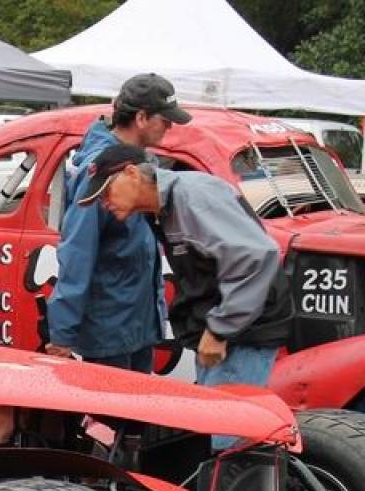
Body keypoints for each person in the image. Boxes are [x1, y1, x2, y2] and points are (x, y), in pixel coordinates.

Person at [77, 144, 293, 418]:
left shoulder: (193, 198)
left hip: (246, 332)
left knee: (227, 429)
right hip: (229, 328)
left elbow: (257, 256)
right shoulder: (165, 206)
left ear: (132, 173)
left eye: (106, 191)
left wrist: (220, 330)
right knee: (213, 424)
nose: (104, 203)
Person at [45, 73, 191, 372]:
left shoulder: (140, 162)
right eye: (165, 120)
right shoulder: (104, 170)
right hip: (110, 328)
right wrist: (62, 334)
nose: (170, 127)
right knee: (108, 404)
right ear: (141, 118)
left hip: (136, 323)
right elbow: (77, 251)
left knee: (137, 402)